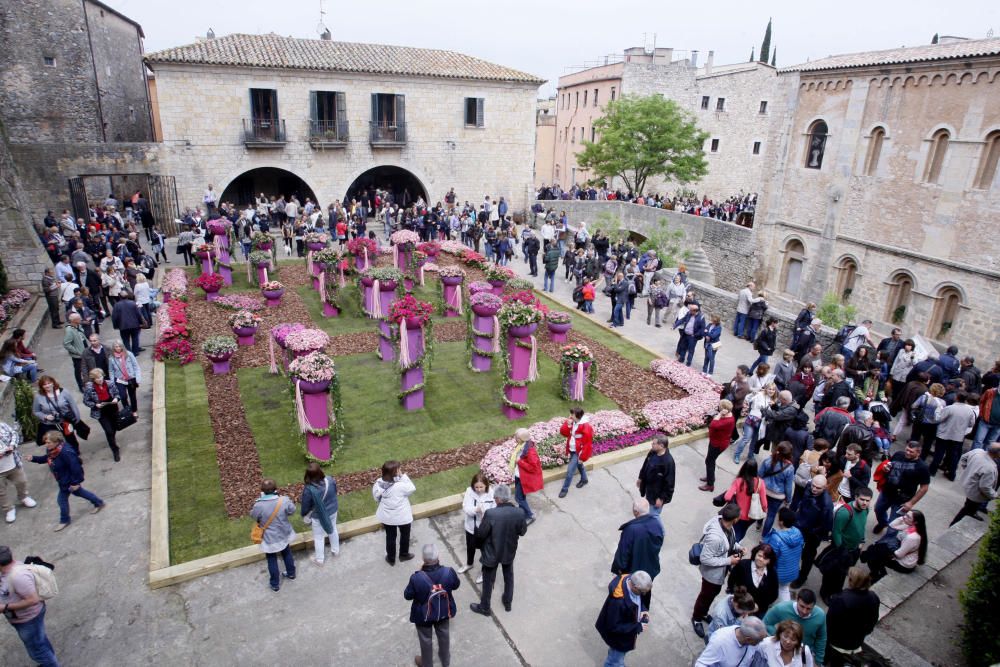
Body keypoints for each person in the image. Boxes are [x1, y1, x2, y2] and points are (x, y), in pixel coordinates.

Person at [469, 484, 527, 616]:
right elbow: (522, 531)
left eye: (495, 497)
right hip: (509, 550)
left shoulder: (491, 514)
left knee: (488, 580)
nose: (494, 499)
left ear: (498, 499)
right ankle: (508, 603)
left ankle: (485, 607)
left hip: (491, 553)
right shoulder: (519, 512)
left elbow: (482, 534)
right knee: (509, 576)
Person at [30, 430, 104, 531]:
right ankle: (98, 502)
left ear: (56, 442)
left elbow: (76, 468)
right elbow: (46, 458)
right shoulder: (52, 450)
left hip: (68, 481)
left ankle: (64, 520)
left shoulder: (66, 452)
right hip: (63, 480)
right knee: (79, 493)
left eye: (48, 442)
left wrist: (75, 483)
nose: (46, 445)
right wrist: (33, 458)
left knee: (62, 500)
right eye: (45, 442)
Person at [0, 545, 60, 667]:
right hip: (22, 618)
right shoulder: (9, 569)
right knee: (40, 641)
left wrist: (5, 607)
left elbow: (33, 600)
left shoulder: (18, 577)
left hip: (28, 619)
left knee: (38, 651)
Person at [692, 503, 743, 639]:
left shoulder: (728, 526)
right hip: (711, 575)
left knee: (712, 593)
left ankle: (703, 613)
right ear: (735, 519)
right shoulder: (715, 537)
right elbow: (705, 559)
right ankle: (696, 618)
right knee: (705, 596)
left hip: (720, 572)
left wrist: (738, 547)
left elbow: (729, 542)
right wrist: (729, 561)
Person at [404, 543, 460, 667]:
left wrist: (418, 573)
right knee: (444, 636)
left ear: (423, 559)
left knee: (426, 640)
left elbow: (407, 595)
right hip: (444, 612)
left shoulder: (416, 578)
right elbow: (456, 585)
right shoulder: (448, 572)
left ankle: (427, 664)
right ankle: (445, 662)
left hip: (424, 616)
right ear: (438, 556)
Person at [819, 487, 871, 602]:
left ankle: (837, 591)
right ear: (856, 497)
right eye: (862, 499)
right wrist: (841, 550)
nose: (865, 503)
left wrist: (861, 542)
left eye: (868, 500)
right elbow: (836, 532)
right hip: (841, 550)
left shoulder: (866, 510)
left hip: (853, 550)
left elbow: (861, 527)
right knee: (831, 574)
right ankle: (825, 594)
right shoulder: (845, 512)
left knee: (843, 574)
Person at [595, 570, 653, 667]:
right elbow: (613, 626)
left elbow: (640, 599)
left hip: (625, 635)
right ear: (635, 587)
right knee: (613, 662)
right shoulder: (618, 602)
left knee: (616, 657)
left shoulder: (631, 580)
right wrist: (638, 627)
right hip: (619, 639)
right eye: (642, 592)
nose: (644, 594)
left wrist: (643, 609)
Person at [826, 566, 880, 667]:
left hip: (837, 642)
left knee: (835, 661)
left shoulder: (841, 599)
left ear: (852, 581)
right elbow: (873, 620)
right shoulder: (873, 597)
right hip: (856, 641)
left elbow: (830, 622)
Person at [611, 498, 663, 603]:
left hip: (633, 573)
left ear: (636, 512)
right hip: (649, 570)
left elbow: (623, 554)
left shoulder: (631, 530)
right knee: (644, 595)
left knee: (629, 598)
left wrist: (619, 570)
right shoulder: (657, 524)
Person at [249, 478, 296, 591]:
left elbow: (253, 516)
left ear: (263, 490)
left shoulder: (259, 505)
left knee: (271, 559)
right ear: (275, 489)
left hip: (269, 538)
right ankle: (291, 573)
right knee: (287, 553)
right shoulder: (284, 500)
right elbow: (292, 510)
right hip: (283, 534)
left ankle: (275, 584)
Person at [873, 441, 930, 534]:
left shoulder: (922, 467)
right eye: (907, 450)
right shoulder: (898, 454)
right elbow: (888, 465)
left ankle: (888, 543)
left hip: (902, 499)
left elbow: (924, 488)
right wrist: (885, 468)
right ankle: (883, 523)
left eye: (911, 452)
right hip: (887, 492)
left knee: (894, 524)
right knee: (878, 509)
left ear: (918, 453)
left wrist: (911, 503)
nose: (907, 453)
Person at [763, 589, 827, 666]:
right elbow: (765, 624)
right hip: (782, 648)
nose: (804, 611)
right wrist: (781, 635)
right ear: (796, 600)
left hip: (806, 652)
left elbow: (821, 638)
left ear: (814, 606)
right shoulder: (781, 608)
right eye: (802, 606)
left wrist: (818, 661)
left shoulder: (820, 615)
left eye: (809, 609)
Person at [791, 475, 833, 588]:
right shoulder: (809, 487)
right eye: (813, 486)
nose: (814, 489)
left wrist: (812, 531)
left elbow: (826, 525)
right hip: (800, 525)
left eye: (818, 488)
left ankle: (802, 577)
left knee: (808, 556)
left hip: (813, 534)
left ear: (825, 487)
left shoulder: (826, 504)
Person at [862, 509, 927, 582]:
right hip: (899, 548)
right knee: (873, 548)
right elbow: (892, 525)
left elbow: (899, 554)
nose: (905, 517)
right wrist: (903, 518)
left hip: (903, 564)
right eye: (906, 514)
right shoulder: (911, 526)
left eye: (908, 517)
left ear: (915, 522)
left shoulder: (912, 537)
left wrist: (883, 551)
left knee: (873, 557)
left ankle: (878, 574)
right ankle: (867, 558)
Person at [373, 460, 416, 565]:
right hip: (402, 516)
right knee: (405, 535)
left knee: (390, 537)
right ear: (395, 472)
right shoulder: (400, 485)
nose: (400, 470)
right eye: (399, 469)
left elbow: (376, 498)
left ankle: (391, 558)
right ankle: (403, 555)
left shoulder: (378, 483)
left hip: (387, 517)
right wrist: (403, 476)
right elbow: (412, 488)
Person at [950, 443, 1000, 525]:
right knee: (967, 511)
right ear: (997, 453)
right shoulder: (990, 468)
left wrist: (968, 469)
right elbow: (985, 487)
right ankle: (953, 526)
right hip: (976, 494)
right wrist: (995, 495)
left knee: (968, 506)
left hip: (969, 485)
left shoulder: (977, 451)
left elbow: (963, 458)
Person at [300, 462, 339, 566]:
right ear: (320, 471)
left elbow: (305, 505)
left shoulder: (309, 489)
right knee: (333, 529)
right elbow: (335, 491)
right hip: (333, 510)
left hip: (318, 516)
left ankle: (320, 560)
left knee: (318, 537)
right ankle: (336, 551)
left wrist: (304, 514)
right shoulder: (330, 480)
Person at [727, 543, 779, 619]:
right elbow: (731, 584)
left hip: (759, 610)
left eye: (765, 558)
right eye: (759, 555)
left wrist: (757, 606)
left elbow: (774, 594)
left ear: (769, 561)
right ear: (755, 554)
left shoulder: (772, 572)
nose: (761, 559)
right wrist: (741, 602)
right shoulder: (743, 565)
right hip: (739, 607)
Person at [763, 508, 804, 602]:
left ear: (781, 522)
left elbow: (770, 556)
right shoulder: (798, 532)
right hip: (792, 571)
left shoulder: (776, 538)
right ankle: (785, 608)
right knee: (784, 590)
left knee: (771, 588)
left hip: (779, 574)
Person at [459, 472, 496, 576]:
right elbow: (466, 508)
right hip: (472, 527)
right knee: (470, 547)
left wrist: (487, 513)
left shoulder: (491, 493)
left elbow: (495, 508)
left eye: (481, 487)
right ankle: (469, 564)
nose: (479, 489)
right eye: (476, 487)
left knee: (485, 550)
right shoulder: (469, 492)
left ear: (486, 485)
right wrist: (476, 510)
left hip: (486, 528)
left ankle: (484, 572)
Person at [81, 368, 122, 461]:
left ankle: (112, 440)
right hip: (101, 413)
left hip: (112, 409)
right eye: (97, 378)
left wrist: (116, 399)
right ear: (93, 379)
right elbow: (86, 401)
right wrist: (95, 405)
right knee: (109, 431)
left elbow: (117, 394)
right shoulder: (89, 388)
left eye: (100, 377)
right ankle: (115, 449)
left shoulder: (110, 383)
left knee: (114, 428)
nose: (99, 379)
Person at [0, 422, 37, 524]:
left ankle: (23, 497)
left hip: (12, 463)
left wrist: (12, 446)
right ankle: (9, 509)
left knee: (22, 481)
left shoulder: (2, 425)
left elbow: (14, 434)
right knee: (1, 492)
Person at [32, 376, 81, 452]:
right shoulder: (38, 397)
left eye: (49, 383)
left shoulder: (64, 392)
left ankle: (74, 455)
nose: (47, 386)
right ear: (41, 386)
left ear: (53, 383)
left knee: (71, 440)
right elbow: (36, 411)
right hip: (49, 424)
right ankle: (57, 458)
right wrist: (45, 416)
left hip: (65, 422)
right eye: (44, 384)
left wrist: (77, 420)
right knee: (53, 443)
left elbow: (73, 406)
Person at [724, 460, 768, 542]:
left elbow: (727, 497)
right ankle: (736, 543)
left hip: (737, 514)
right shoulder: (760, 483)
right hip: (751, 516)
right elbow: (764, 503)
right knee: (742, 530)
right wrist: (764, 511)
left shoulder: (738, 481)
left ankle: (730, 543)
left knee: (733, 529)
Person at [695, 616, 767, 667]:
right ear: (748, 639)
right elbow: (701, 663)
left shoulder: (751, 639)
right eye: (759, 641)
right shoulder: (719, 642)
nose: (761, 643)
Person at [758, 442, 795, 537]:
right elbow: (788, 486)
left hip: (764, 490)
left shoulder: (768, 460)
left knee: (762, 508)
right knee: (771, 515)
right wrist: (788, 500)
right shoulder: (789, 468)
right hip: (777, 495)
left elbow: (760, 475)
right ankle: (764, 536)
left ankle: (758, 523)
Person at [700, 400, 736, 492]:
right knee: (711, 460)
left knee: (709, 461)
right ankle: (710, 477)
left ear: (724, 409)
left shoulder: (727, 420)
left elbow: (713, 425)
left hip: (718, 444)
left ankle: (710, 485)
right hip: (715, 441)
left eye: (720, 407)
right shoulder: (729, 415)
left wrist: (719, 414)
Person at [636, 434, 675, 518]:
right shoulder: (652, 452)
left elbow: (669, 484)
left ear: (661, 446)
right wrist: (640, 478)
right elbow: (645, 465)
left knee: (653, 516)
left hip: (657, 495)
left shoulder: (668, 462)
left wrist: (661, 498)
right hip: (649, 490)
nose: (651, 445)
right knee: (648, 511)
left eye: (654, 443)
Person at [510, 429, 542, 524]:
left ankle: (530, 515)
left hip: (523, 477)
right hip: (519, 475)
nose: (515, 439)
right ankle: (522, 514)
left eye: (517, 437)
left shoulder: (530, 451)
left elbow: (533, 467)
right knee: (521, 497)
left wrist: (519, 462)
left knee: (518, 498)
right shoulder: (522, 446)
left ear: (522, 438)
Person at [558, 408, 592, 498]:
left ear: (577, 416)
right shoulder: (573, 422)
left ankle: (564, 489)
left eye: (572, 414)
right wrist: (567, 424)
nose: (570, 416)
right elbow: (563, 433)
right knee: (579, 465)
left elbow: (587, 444)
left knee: (570, 471)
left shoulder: (586, 426)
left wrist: (582, 457)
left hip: (578, 452)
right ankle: (584, 479)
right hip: (573, 449)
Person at [108, 340, 140, 417]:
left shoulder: (129, 354)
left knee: (132, 395)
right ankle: (127, 409)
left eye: (119, 346)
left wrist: (138, 378)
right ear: (113, 348)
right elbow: (111, 370)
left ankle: (134, 410)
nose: (118, 348)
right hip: (120, 380)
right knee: (123, 396)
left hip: (130, 378)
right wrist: (112, 382)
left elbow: (136, 366)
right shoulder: (111, 358)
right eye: (116, 347)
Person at [673, 302, 706, 367]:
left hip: (693, 337)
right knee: (683, 347)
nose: (689, 311)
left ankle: (688, 362)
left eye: (691, 310)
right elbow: (682, 319)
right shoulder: (689, 314)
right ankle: (681, 359)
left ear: (695, 311)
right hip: (685, 334)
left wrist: (695, 335)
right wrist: (675, 325)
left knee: (691, 349)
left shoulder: (701, 318)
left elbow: (702, 329)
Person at [62, 313, 88, 391]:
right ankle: (81, 386)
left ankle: (87, 383)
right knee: (78, 371)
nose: (81, 319)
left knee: (86, 369)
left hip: (85, 351)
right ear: (74, 320)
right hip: (78, 355)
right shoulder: (69, 330)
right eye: (79, 318)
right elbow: (66, 344)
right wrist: (77, 352)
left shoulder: (78, 326)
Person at [971, 384, 1000, 450]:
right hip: (985, 422)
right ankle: (973, 457)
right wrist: (981, 414)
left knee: (990, 443)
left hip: (998, 425)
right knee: (978, 440)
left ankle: (984, 458)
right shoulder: (990, 392)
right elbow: (981, 402)